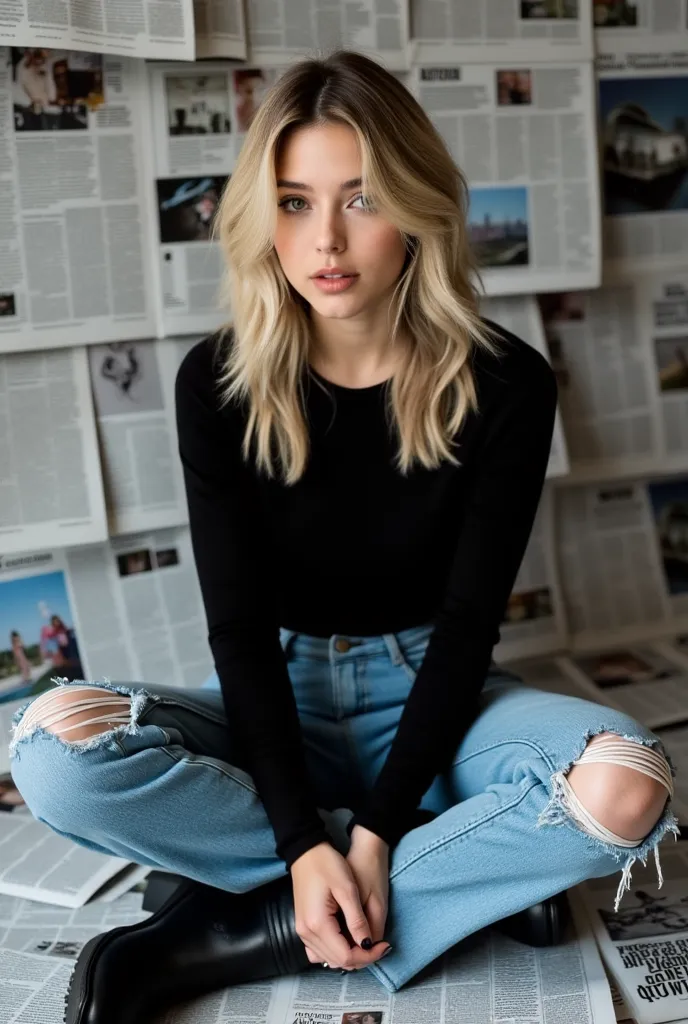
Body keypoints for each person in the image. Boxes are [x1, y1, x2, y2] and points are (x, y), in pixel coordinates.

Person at [8, 50, 678, 1024]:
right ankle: (444, 879)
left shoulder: (507, 384)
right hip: (272, 701)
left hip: (435, 703)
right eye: (291, 201)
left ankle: (243, 926)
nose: (323, 239)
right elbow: (236, 631)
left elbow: (465, 628)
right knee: (50, 752)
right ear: (259, 215)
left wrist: (370, 833)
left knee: (631, 787)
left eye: (360, 199)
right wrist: (304, 838)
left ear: (414, 206)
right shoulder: (220, 384)